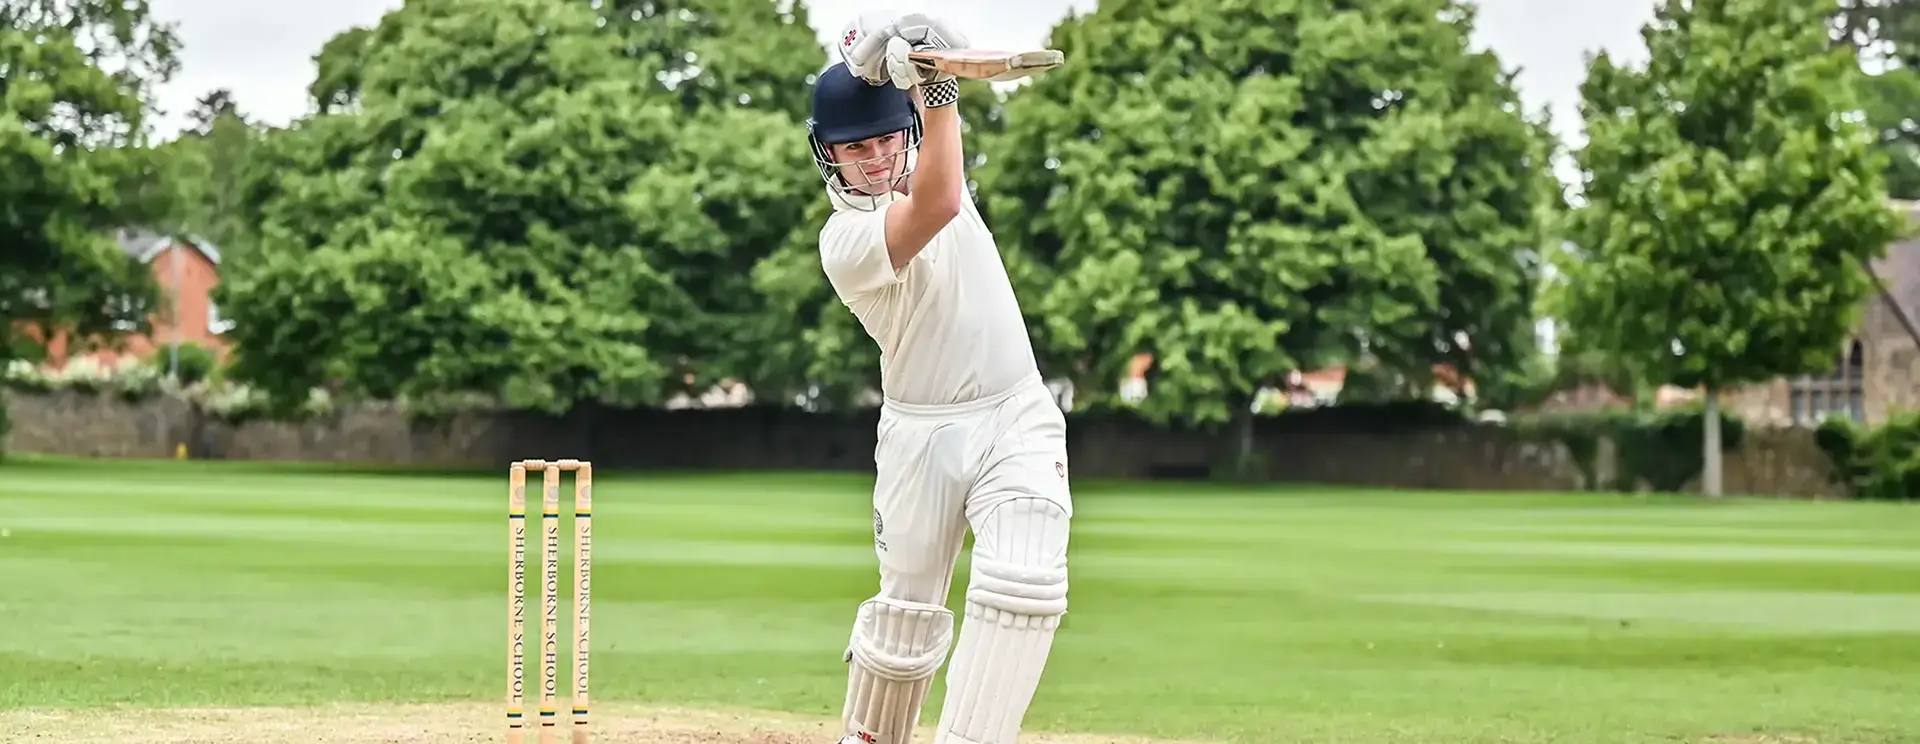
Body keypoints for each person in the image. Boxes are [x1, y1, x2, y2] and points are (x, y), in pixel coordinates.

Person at [807, 11, 1073, 744]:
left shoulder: (933, 164)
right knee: (906, 618)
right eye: (854, 147)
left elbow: (939, 178)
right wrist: (938, 88)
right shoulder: (846, 240)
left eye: (887, 139)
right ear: (826, 155)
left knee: (1025, 580)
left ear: (910, 136)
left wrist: (920, 57)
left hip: (1014, 413)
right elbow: (939, 202)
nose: (874, 158)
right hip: (919, 439)